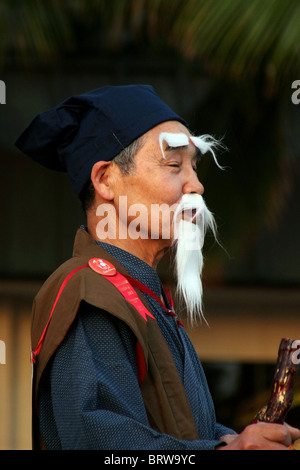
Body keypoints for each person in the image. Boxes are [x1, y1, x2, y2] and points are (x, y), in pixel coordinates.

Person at [15, 85, 300, 450]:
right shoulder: (87, 291)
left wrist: (234, 440)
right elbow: (104, 446)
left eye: (194, 167)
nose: (196, 184)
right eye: (173, 165)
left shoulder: (147, 298)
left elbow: (183, 435)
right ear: (106, 180)